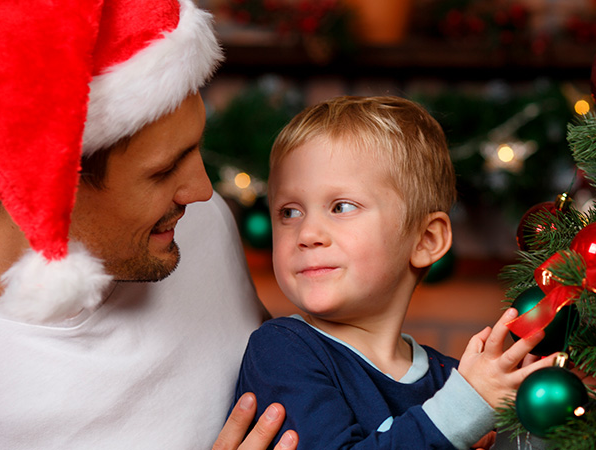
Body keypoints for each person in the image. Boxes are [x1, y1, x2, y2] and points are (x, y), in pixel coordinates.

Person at [0, 0, 294, 448]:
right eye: (164, 171)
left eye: (196, 147)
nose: (203, 191)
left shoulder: (202, 230)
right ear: (47, 186)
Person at [234, 96, 555, 449]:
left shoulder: (452, 380)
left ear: (426, 240)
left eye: (341, 207)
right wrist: (464, 409)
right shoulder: (282, 351)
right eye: (289, 212)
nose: (307, 234)